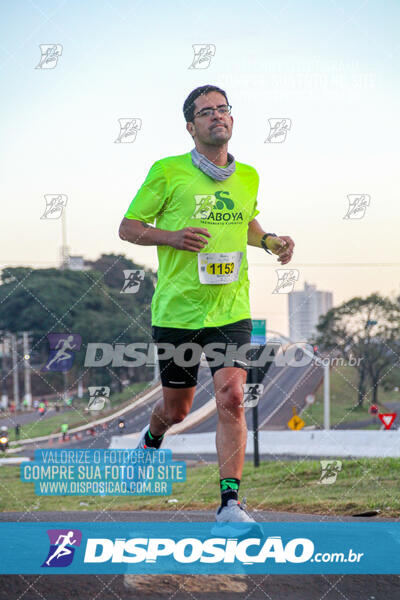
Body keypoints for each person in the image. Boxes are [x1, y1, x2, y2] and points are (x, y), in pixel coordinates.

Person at [119, 85, 294, 527]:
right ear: (191, 126)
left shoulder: (248, 176)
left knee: (232, 396)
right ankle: (152, 437)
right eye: (206, 111)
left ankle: (229, 505)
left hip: (231, 310)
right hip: (178, 312)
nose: (217, 116)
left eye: (223, 109)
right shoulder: (168, 172)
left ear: (231, 120)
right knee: (177, 409)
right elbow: (128, 227)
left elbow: (245, 221)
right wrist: (171, 237)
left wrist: (269, 240)